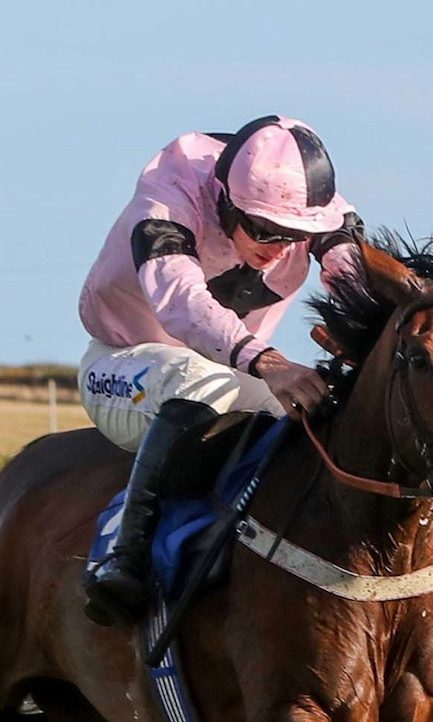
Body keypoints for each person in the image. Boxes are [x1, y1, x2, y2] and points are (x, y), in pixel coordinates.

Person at [77, 115, 366, 627]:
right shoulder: (169, 193)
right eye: (262, 229)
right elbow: (181, 300)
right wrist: (270, 363)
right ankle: (127, 552)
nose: (278, 248)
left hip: (234, 369)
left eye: (293, 236)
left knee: (314, 412)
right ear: (226, 201)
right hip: (125, 363)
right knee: (194, 380)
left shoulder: (312, 205)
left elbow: (353, 271)